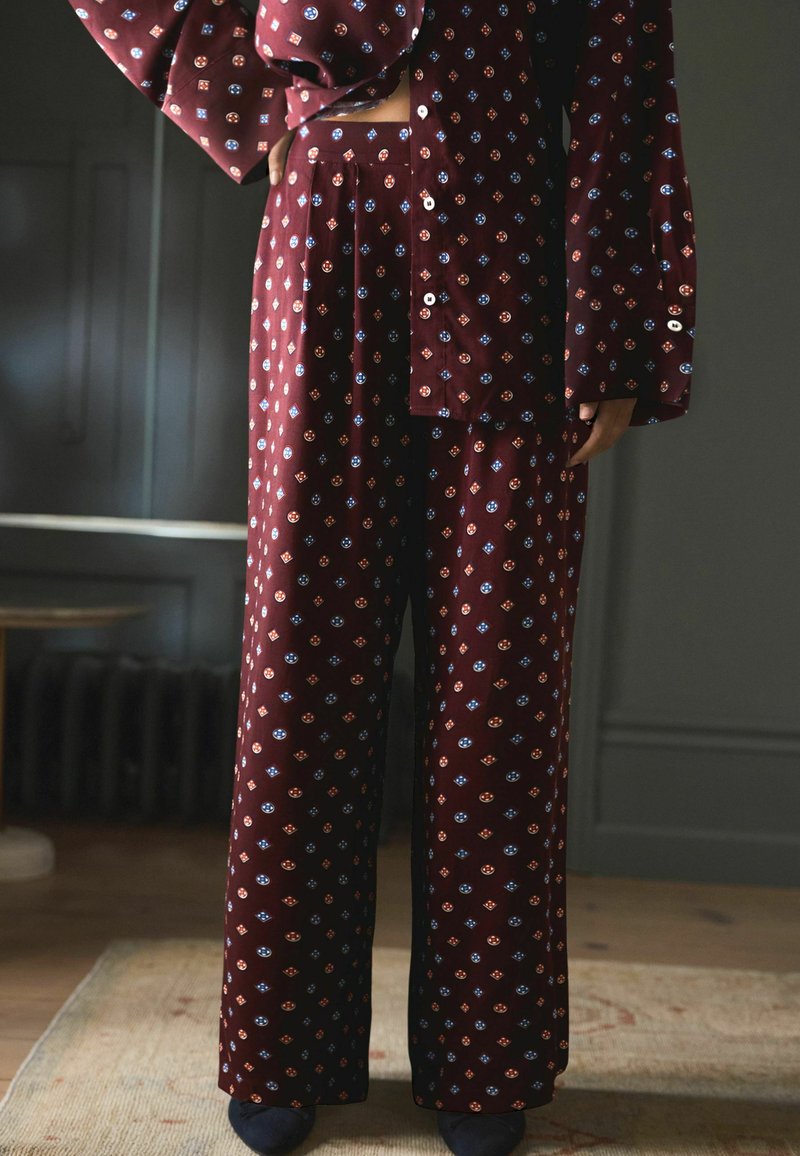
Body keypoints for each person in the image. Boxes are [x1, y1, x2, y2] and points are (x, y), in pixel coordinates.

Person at [64, 2, 697, 1154]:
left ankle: (486, 1059)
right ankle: (279, 1048)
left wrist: (609, 339)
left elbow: (624, 90)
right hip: (325, 238)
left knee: (498, 689)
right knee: (302, 668)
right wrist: (257, 109)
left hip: (511, 248)